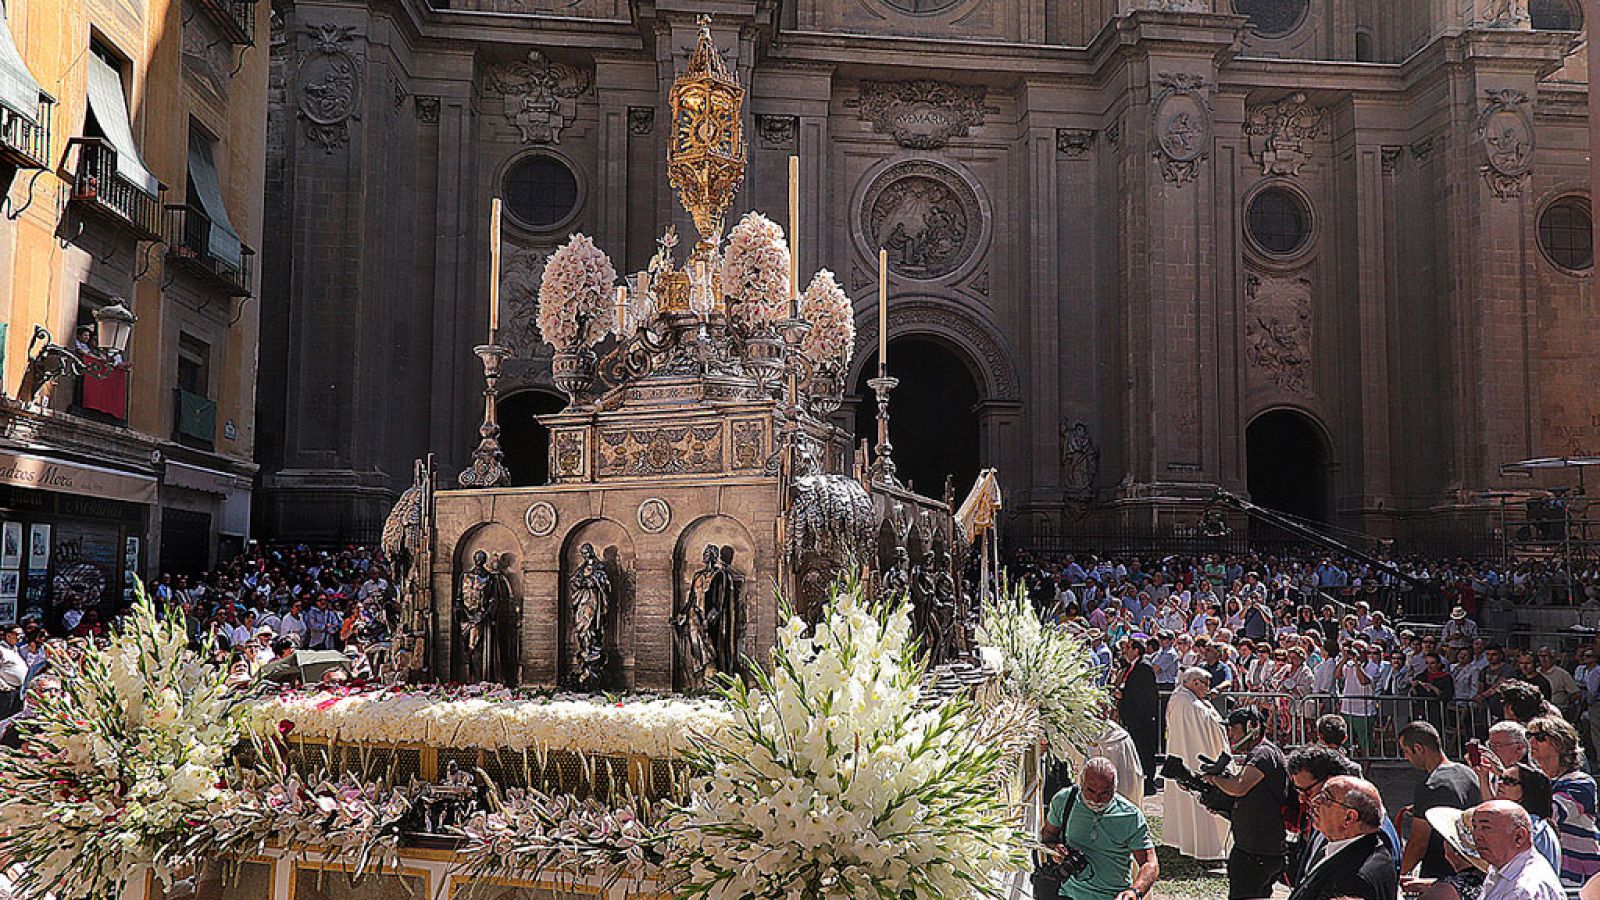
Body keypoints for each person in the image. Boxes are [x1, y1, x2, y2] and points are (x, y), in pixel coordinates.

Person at [1039, 756, 1159, 900]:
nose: (1096, 799)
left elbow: (1149, 863)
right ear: (1081, 783)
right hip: (1067, 894)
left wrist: (1135, 892)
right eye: (1090, 790)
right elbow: (1047, 836)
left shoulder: (1130, 815)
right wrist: (1055, 849)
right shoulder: (1064, 801)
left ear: (1114, 790)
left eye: (1104, 793)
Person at [1202, 707, 1289, 898]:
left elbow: (1240, 787)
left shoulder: (1263, 754)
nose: (1230, 734)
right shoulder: (1261, 754)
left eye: (1233, 728)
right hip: (1258, 847)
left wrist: (1214, 779)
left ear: (1251, 727)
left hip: (1257, 851)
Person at [1286, 775, 1399, 900]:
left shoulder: (1355, 880)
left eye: (1325, 798)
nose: (1315, 801)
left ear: (1349, 818)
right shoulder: (1344, 846)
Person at [1162, 667, 1232, 861]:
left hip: (1186, 755)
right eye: (1205, 685)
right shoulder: (1192, 705)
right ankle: (1205, 845)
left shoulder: (1180, 697)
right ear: (1194, 683)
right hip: (1196, 758)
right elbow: (1212, 725)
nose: (1208, 689)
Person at [1399, 720, 1484, 879]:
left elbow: (1419, 843)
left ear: (1418, 748)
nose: (1405, 757)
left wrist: (1398, 874)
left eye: (1406, 751)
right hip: (1473, 867)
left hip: (1440, 871)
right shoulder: (1468, 773)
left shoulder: (1429, 786)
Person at [1526, 714, 1600, 886]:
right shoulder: (1538, 783)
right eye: (1529, 736)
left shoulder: (1581, 782)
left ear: (1560, 743)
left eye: (1540, 737)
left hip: (1579, 875)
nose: (1532, 742)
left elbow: (1551, 814)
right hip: (1549, 872)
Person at [1472, 799, 1565, 900]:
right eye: (1475, 827)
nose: (1477, 836)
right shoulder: (1503, 869)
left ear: (1519, 836)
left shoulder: (1524, 889)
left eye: (1486, 828)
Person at [1118, 639, 1160, 796]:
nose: (1126, 651)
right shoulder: (1133, 666)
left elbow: (1146, 694)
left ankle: (1148, 780)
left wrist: (1125, 695)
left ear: (1136, 650)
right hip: (1134, 717)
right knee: (1138, 748)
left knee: (1145, 750)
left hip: (1142, 718)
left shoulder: (1144, 667)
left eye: (1129, 648)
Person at [0, 626, 26, 720]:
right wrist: (3, 686)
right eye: (18, 635)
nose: (21, 637)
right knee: (3, 718)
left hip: (18, 691)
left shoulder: (15, 649)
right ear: (8, 636)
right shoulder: (1, 650)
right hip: (6, 692)